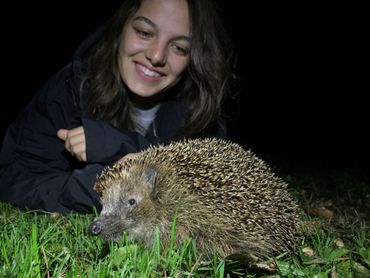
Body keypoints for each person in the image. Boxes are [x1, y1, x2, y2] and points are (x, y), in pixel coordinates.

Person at [0, 0, 236, 213]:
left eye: (179, 48)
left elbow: (213, 190)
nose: (156, 56)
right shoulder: (71, 88)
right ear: (122, 25)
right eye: (144, 32)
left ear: (194, 58)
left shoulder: (202, 109)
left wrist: (116, 144)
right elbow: (13, 177)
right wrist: (100, 183)